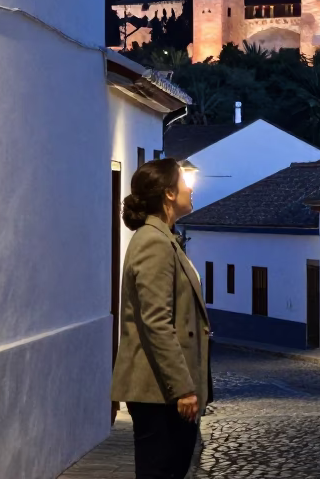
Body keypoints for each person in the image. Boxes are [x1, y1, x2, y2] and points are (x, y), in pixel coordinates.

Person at [112, 158, 211, 479]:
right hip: (159, 392)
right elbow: (156, 322)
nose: (190, 188)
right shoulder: (154, 242)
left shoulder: (164, 237)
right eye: (184, 182)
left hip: (162, 391)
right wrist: (182, 388)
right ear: (169, 193)